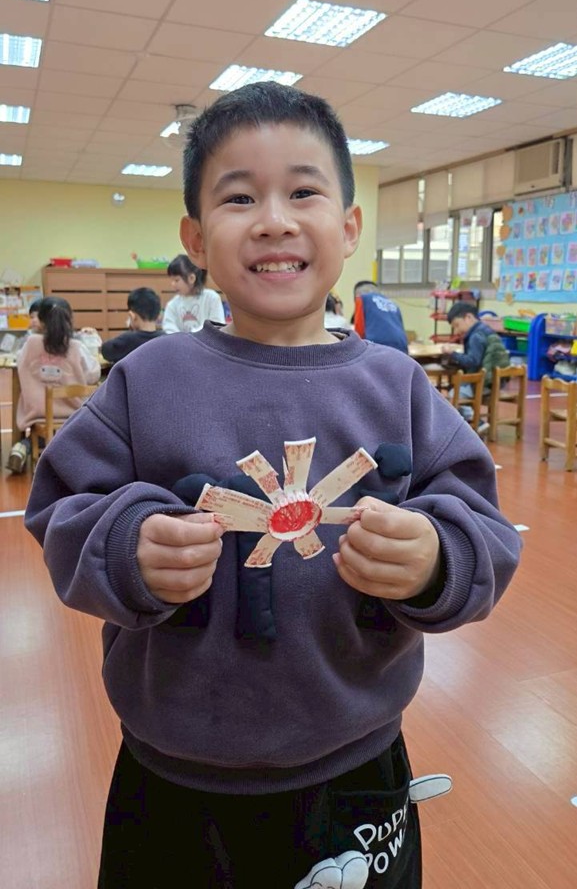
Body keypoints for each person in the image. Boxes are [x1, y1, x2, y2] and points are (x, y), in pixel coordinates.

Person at [25, 82, 521, 889]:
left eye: (302, 192)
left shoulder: (396, 385)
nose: (273, 220)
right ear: (195, 238)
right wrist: (125, 545)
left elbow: (483, 528)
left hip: (355, 760)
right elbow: (60, 507)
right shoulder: (148, 380)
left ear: (348, 228)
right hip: (172, 766)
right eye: (238, 197)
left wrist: (438, 557)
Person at [7, 296, 100, 473]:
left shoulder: (30, 344)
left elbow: (20, 365)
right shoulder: (76, 346)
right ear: (69, 319)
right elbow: (92, 374)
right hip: (73, 413)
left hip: (37, 412)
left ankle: (24, 446)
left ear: (41, 320)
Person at [443, 303, 510, 428]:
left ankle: (476, 421)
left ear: (468, 317)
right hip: (494, 380)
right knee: (458, 387)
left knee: (453, 395)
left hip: (482, 383)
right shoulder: (486, 330)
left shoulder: (475, 336)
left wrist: (452, 354)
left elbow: (472, 361)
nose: (457, 331)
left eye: (457, 325)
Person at [162, 253, 225, 333]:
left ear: (191, 278)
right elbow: (168, 327)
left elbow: (217, 324)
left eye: (176, 280)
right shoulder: (173, 304)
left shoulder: (211, 298)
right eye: (172, 280)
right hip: (180, 341)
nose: (173, 284)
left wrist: (192, 337)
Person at [101, 287, 165, 364]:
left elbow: (105, 351)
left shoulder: (127, 339)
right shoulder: (165, 338)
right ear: (158, 316)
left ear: (132, 316)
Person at [353, 281, 408, 353]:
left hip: (377, 344)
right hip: (401, 344)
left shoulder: (361, 298)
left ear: (357, 294)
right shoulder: (393, 304)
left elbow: (359, 326)